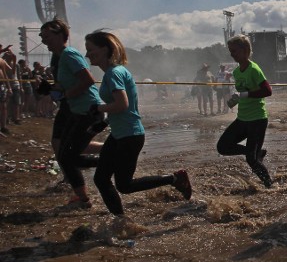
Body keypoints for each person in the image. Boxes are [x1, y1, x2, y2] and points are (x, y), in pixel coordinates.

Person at [85, 31, 192, 236]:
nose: (88, 54)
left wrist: (99, 108)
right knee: (101, 178)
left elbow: (122, 104)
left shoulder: (113, 73)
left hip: (129, 136)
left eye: (91, 49)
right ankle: (121, 222)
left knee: (124, 185)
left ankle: (175, 179)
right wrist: (103, 122)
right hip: (120, 134)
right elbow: (124, 108)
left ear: (105, 49)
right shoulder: (116, 72)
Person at [38, 19, 102, 209]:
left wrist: (65, 94)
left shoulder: (69, 54)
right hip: (77, 110)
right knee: (67, 152)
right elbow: (64, 84)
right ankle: (81, 196)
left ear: (59, 35)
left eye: (46, 36)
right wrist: (49, 87)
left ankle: (84, 198)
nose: (43, 41)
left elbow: (88, 80)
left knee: (67, 155)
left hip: (88, 110)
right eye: (41, 37)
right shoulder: (58, 56)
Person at [216, 35, 274, 188]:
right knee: (222, 146)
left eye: (234, 51)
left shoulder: (253, 69)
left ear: (245, 50)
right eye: (230, 51)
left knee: (251, 160)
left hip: (257, 119)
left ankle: (271, 187)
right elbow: (243, 92)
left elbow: (268, 91)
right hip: (242, 119)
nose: (231, 54)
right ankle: (257, 152)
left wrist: (245, 94)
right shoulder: (236, 72)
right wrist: (234, 100)